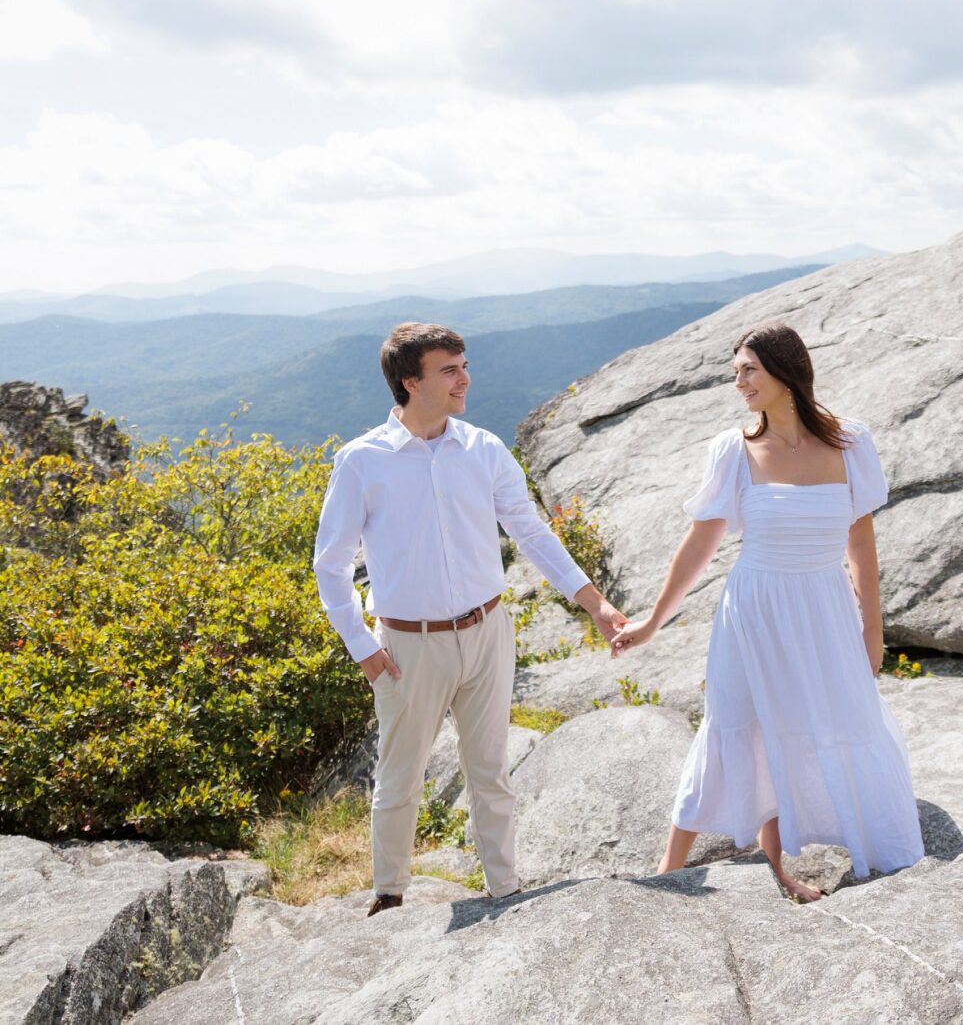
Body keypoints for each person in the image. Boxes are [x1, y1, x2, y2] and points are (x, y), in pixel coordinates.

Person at [313, 322, 627, 916]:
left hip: (487, 631)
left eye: (464, 365)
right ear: (410, 382)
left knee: (491, 771)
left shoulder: (484, 449)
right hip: (408, 646)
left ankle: (505, 892)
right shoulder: (361, 462)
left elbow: (532, 533)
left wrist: (598, 606)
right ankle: (391, 895)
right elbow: (329, 564)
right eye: (449, 370)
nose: (465, 378)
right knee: (400, 776)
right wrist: (362, 646)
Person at [610, 321, 924, 900]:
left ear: (786, 370)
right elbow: (700, 544)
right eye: (736, 373)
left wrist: (873, 628)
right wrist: (653, 621)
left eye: (748, 369)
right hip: (754, 611)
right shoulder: (734, 450)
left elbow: (861, 543)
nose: (740, 383)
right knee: (737, 723)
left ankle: (783, 865)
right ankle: (666, 872)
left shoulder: (850, 442)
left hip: (824, 608)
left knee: (809, 726)